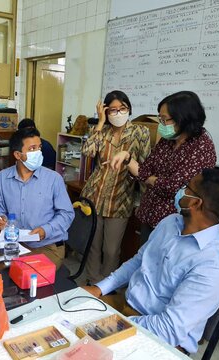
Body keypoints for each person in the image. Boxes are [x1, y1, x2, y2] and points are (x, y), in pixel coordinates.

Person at [82, 169, 219, 354]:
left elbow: (168, 329)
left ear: (196, 203)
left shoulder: (215, 266)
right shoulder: (171, 222)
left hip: (161, 338)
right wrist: (100, 288)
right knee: (67, 322)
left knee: (85, 347)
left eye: (186, 187)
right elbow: (139, 261)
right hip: (126, 305)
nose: (180, 189)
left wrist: (111, 325)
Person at [110, 91, 217, 244]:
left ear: (183, 119)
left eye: (164, 119)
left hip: (176, 224)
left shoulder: (201, 147)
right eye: (160, 118)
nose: (161, 124)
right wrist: (128, 159)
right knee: (144, 260)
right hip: (150, 215)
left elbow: (173, 187)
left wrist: (149, 178)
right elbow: (146, 168)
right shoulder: (168, 141)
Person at [81, 91, 151, 284]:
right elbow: (87, 151)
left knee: (111, 249)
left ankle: (106, 285)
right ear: (105, 111)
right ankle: (92, 281)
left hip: (120, 199)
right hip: (94, 195)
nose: (118, 113)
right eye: (113, 110)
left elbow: (144, 167)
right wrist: (100, 122)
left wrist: (145, 201)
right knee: (93, 245)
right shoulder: (102, 131)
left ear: (129, 108)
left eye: (123, 109)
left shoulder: (140, 132)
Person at [0, 127, 74, 267]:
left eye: (39, 148)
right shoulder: (1, 178)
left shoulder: (54, 179)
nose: (38, 153)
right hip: (14, 242)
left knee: (25, 274)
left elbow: (67, 214)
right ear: (18, 155)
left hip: (48, 246)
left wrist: (45, 230)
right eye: (32, 149)